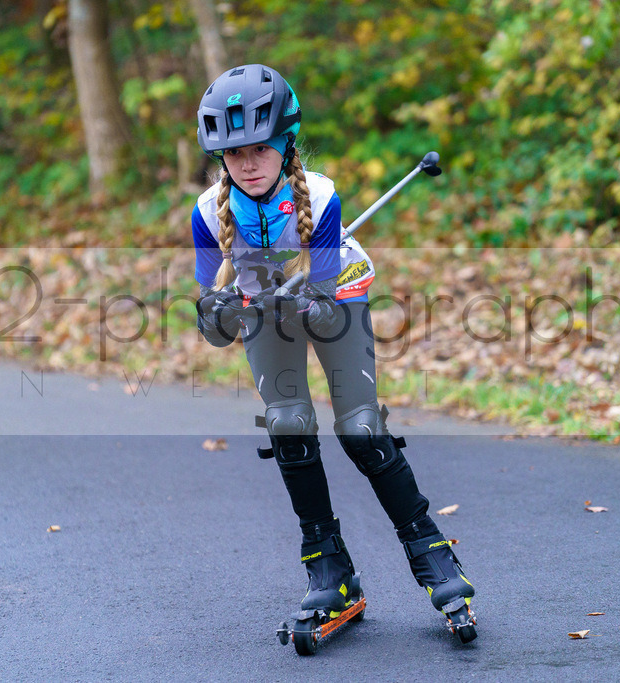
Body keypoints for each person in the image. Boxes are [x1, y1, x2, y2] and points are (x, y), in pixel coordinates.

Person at [191, 64, 476, 642]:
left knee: (361, 428)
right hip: (266, 308)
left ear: (285, 142)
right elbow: (214, 328)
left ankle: (430, 546)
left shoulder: (319, 198)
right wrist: (224, 313)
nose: (247, 164)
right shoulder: (206, 212)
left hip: (333, 294)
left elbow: (323, 306)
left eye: (259, 149)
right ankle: (328, 565)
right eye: (233, 153)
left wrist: (288, 304)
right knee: (288, 421)